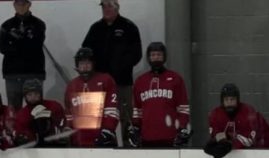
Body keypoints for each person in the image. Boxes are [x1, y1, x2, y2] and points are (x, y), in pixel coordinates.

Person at [82, 0, 141, 141]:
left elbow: (136, 54)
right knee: (96, 118)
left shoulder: (129, 27)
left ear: (117, 7)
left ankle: (129, 148)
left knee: (126, 118)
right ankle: (97, 145)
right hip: (98, 85)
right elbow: (85, 52)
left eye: (109, 6)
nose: (106, 9)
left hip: (122, 82)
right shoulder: (95, 28)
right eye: (103, 6)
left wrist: (121, 68)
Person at [130, 42, 190, 148]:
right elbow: (137, 109)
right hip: (147, 136)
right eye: (153, 55)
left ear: (164, 57)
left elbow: (183, 107)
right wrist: (135, 127)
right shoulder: (140, 81)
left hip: (170, 136)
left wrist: (182, 127)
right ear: (148, 58)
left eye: (159, 55)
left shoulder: (176, 79)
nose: (156, 58)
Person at [205, 83, 269, 158]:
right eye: (226, 100)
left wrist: (229, 140)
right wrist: (217, 141)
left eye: (232, 99)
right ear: (222, 101)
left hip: (268, 148)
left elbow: (248, 141)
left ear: (237, 100)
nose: (229, 102)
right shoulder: (216, 114)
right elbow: (217, 136)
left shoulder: (248, 113)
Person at [65, 47, 119, 148]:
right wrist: (68, 129)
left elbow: (112, 109)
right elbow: (69, 113)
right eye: (82, 64)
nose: (85, 67)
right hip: (79, 141)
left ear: (93, 64)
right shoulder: (72, 85)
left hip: (102, 140)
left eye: (87, 63)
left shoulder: (106, 80)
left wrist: (108, 130)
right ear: (77, 65)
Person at [0, 0, 46, 111]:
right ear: (14, 5)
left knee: (36, 108)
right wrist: (25, 41)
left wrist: (15, 41)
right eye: (18, 4)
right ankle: (16, 129)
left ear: (29, 5)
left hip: (34, 73)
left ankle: (38, 128)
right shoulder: (6, 25)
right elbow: (2, 48)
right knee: (14, 109)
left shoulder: (39, 24)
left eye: (23, 4)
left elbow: (35, 46)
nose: (21, 7)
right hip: (12, 74)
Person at [13, 78, 65, 147]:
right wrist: (27, 137)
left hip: (55, 146)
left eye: (36, 94)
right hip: (33, 150)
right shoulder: (22, 114)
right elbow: (20, 132)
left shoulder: (54, 106)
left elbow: (63, 123)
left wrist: (59, 129)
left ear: (40, 94)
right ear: (25, 96)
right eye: (29, 95)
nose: (33, 97)